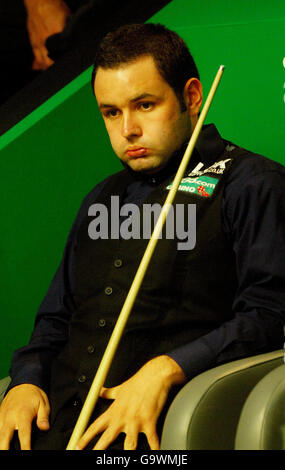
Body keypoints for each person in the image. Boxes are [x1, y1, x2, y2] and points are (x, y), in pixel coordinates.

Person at [0, 23, 285, 451]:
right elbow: (55, 322)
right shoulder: (102, 196)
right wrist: (23, 383)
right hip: (52, 427)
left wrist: (168, 368)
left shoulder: (250, 183)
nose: (128, 129)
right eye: (111, 112)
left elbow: (268, 316)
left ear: (191, 97)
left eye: (145, 105)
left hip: (153, 434)